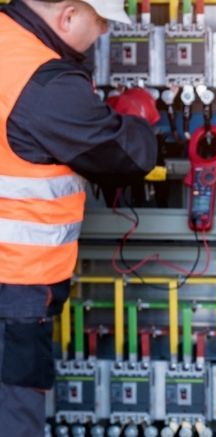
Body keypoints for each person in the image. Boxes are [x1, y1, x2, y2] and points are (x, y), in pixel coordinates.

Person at [0, 0, 158, 433]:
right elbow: (124, 156)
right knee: (12, 419)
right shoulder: (43, 80)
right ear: (68, 15)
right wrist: (135, 117)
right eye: (101, 21)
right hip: (12, 291)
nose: (104, 32)